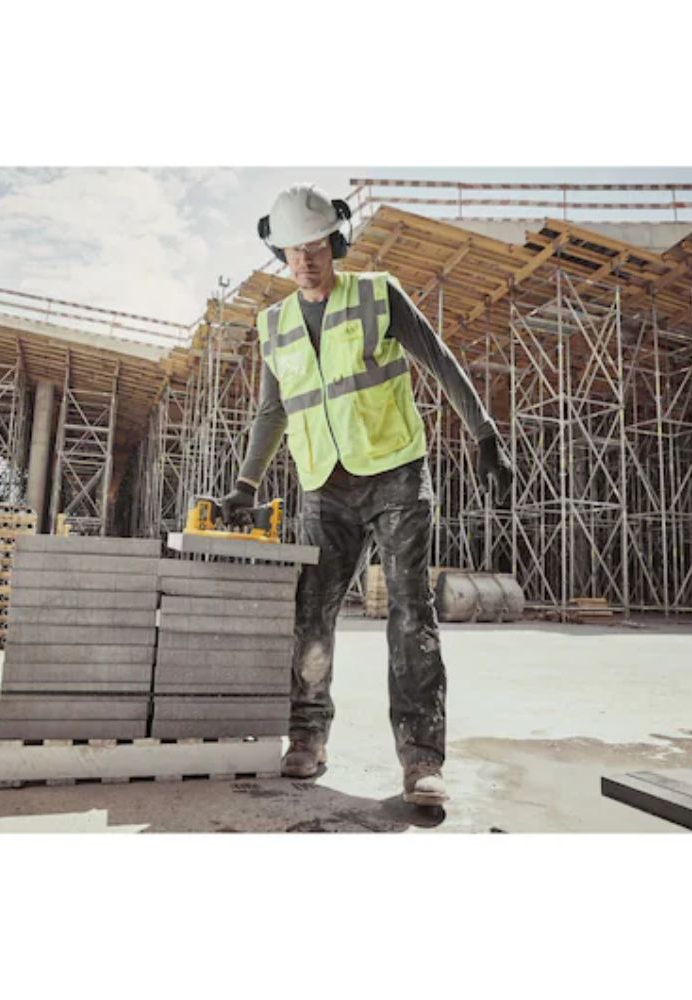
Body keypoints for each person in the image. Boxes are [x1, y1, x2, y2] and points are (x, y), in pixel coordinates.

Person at [221, 183, 511, 807]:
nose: (306, 259)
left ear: (337, 241)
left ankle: (420, 760)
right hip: (323, 483)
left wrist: (484, 432)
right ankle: (306, 737)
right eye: (293, 249)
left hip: (396, 474)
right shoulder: (272, 325)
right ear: (281, 255)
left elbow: (439, 360)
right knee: (311, 615)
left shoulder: (378, 293)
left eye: (317, 245)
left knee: (411, 614)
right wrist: (246, 483)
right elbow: (272, 411)